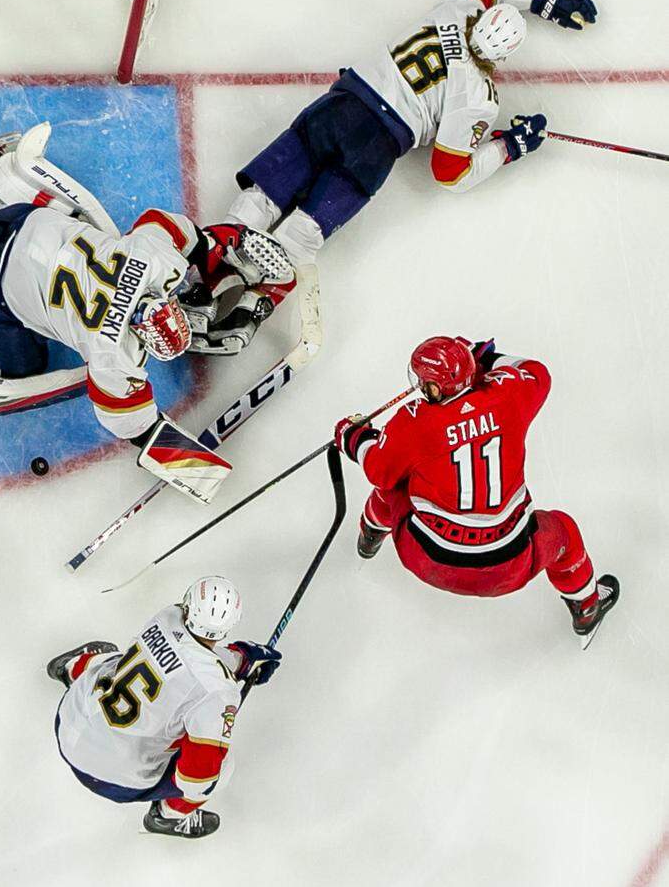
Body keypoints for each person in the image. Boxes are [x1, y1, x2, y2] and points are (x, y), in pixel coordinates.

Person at [0, 123, 296, 504]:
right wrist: (190, 468)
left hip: (20, 218)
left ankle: (2, 172)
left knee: (103, 233)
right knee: (27, 372)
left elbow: (167, 227)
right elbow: (136, 427)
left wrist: (207, 250)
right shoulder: (112, 356)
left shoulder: (152, 259)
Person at [207, 0, 598, 363]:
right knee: (305, 231)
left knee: (266, 193)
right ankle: (248, 310)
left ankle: (205, 265)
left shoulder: (457, 9)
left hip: (337, 109)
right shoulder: (479, 96)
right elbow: (451, 173)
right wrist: (509, 147)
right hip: (375, 149)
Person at [335, 336, 619, 642]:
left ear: (433, 388)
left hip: (426, 559)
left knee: (395, 486)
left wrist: (353, 437)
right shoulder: (508, 394)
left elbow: (379, 469)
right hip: (510, 565)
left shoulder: (414, 422)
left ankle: (371, 532)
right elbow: (538, 372)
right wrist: (490, 360)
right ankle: (587, 605)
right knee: (563, 531)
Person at [48, 576, 281, 838]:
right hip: (111, 780)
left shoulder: (167, 616)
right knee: (221, 769)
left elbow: (188, 654)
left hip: (68, 722)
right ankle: (167, 816)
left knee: (119, 662)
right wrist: (243, 661)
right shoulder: (218, 692)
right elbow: (196, 780)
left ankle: (70, 668)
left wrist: (240, 660)